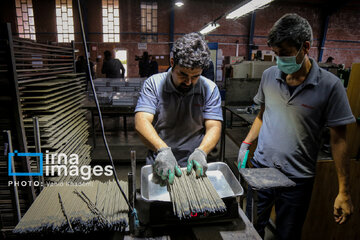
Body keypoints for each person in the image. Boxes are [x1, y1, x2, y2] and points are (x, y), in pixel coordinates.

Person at [237, 13, 354, 239]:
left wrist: (344, 191)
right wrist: (246, 142)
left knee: (288, 234)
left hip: (297, 179)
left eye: (285, 53)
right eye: (276, 53)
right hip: (262, 170)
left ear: (305, 47)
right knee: (250, 228)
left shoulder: (330, 86)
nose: (279, 59)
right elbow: (262, 114)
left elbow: (339, 139)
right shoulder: (269, 76)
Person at [135, 32, 223, 184]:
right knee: (161, 206)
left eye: (195, 76)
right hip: (160, 161)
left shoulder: (209, 88)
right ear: (172, 62)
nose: (189, 82)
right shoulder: (154, 84)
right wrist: (162, 150)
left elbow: (214, 125)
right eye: (183, 75)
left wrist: (202, 152)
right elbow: (141, 121)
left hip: (194, 164)